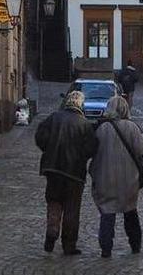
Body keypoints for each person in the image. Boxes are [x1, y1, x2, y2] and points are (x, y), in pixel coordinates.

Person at [35, 90, 98, 255]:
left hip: (53, 169)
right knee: (72, 208)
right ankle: (69, 244)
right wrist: (81, 156)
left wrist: (48, 150)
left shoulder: (54, 118)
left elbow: (40, 137)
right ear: (80, 105)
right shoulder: (84, 124)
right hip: (74, 173)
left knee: (54, 201)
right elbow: (91, 148)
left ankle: (52, 230)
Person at [89, 95, 143, 258]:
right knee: (130, 212)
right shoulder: (133, 127)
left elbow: (91, 151)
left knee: (107, 213)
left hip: (105, 177)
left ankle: (106, 249)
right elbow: (142, 151)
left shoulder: (101, 128)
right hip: (128, 178)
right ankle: (135, 245)